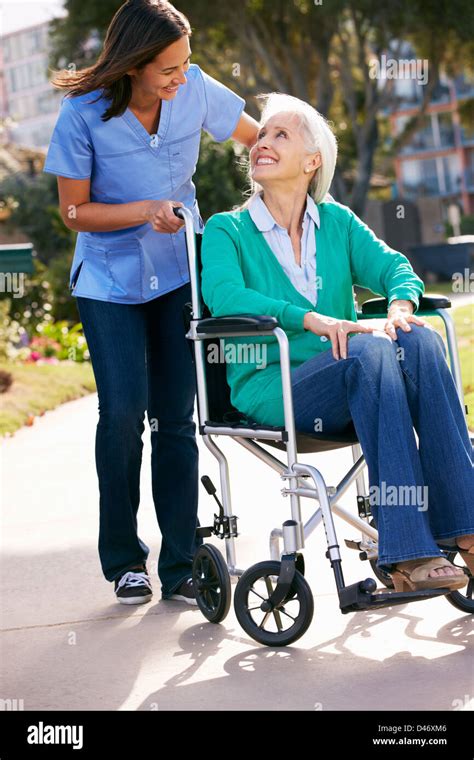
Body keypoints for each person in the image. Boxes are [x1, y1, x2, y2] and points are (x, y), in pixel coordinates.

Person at [201, 92, 474, 593]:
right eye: (261, 134)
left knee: (417, 340)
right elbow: (223, 295)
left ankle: (467, 528)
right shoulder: (228, 229)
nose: (261, 142)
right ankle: (409, 553)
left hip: (357, 379)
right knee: (368, 351)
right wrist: (311, 319)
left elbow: (396, 269)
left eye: (280, 134)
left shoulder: (339, 223)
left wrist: (399, 307)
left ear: (313, 161)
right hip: (275, 384)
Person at [43, 0, 259, 605]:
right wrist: (143, 210)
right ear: (134, 63)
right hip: (108, 284)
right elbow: (72, 213)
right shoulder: (83, 114)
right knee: (122, 416)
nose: (180, 77)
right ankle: (123, 560)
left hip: (176, 277)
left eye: (186, 64)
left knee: (175, 420)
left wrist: (290, 168)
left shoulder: (193, 89)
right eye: (168, 67)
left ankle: (182, 564)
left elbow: (257, 140)